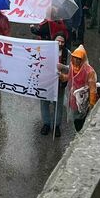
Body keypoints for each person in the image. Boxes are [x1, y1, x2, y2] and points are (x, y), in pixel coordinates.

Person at [32, 7, 68, 135]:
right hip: (46, 82)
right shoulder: (46, 51)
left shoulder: (66, 54)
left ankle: (57, 125)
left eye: (62, 42)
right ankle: (46, 124)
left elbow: (70, 68)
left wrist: (62, 70)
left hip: (59, 82)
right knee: (45, 103)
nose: (60, 43)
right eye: (58, 41)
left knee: (58, 104)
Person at [66, 45, 99, 132]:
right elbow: (69, 78)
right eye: (74, 58)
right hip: (73, 99)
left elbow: (92, 89)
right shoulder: (72, 66)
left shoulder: (89, 71)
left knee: (81, 119)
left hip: (84, 100)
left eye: (79, 58)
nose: (76, 60)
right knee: (75, 118)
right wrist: (61, 76)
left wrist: (92, 103)